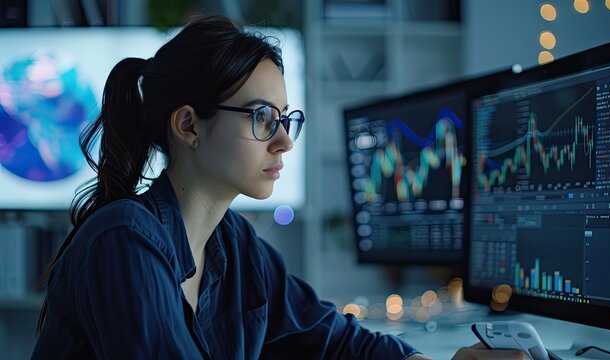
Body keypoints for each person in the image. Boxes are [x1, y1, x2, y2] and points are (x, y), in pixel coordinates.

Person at [32, 15, 528, 360]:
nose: (286, 142)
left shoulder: (236, 245)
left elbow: (331, 341)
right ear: (188, 125)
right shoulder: (124, 241)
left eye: (287, 119)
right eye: (263, 118)